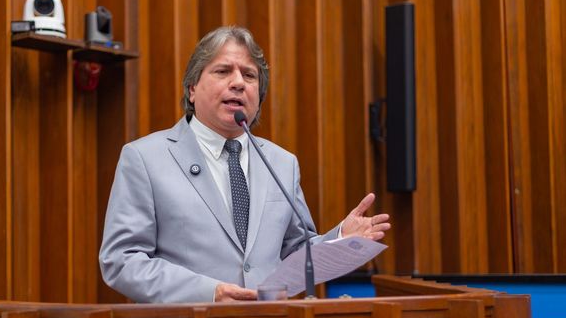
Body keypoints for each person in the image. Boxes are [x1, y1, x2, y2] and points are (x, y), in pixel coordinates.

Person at [99, 26, 390, 303]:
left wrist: (340, 239)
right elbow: (122, 260)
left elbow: (296, 254)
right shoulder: (145, 158)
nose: (238, 82)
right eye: (223, 71)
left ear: (258, 97)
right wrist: (209, 292)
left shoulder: (282, 163)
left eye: (249, 75)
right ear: (192, 89)